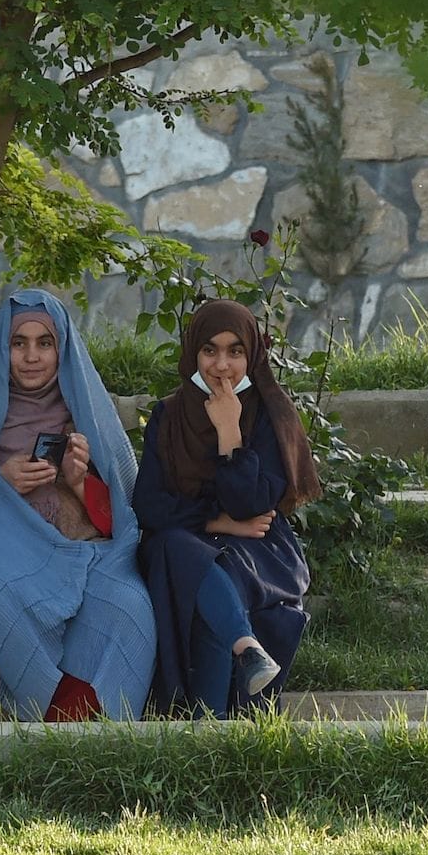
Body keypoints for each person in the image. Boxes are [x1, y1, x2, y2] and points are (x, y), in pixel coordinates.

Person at [0, 290, 155, 721]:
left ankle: (107, 727)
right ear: (1, 348)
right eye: (17, 343)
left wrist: (79, 483)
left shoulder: (87, 409)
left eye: (44, 343)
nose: (31, 356)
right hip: (5, 559)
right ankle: (55, 718)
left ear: (62, 348)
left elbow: (125, 510)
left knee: (129, 603)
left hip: (88, 554)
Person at [133, 300, 322, 717]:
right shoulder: (169, 414)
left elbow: (252, 504)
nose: (222, 365)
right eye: (210, 350)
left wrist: (229, 433)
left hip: (257, 547)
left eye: (235, 351)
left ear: (251, 354)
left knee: (209, 573)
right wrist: (215, 521)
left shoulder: (270, 414)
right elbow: (147, 504)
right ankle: (245, 650)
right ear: (192, 354)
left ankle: (209, 723)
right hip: (187, 538)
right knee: (179, 550)